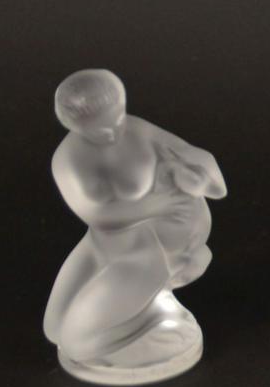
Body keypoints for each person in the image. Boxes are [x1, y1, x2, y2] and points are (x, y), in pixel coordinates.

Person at [43, 69, 226, 368]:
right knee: (54, 329)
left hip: (144, 254)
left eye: (118, 118)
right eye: (101, 131)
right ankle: (147, 315)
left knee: (77, 343)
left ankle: (153, 309)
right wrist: (156, 206)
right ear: (74, 127)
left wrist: (203, 177)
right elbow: (96, 215)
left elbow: (190, 152)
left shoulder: (136, 129)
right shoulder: (68, 159)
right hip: (102, 245)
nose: (115, 132)